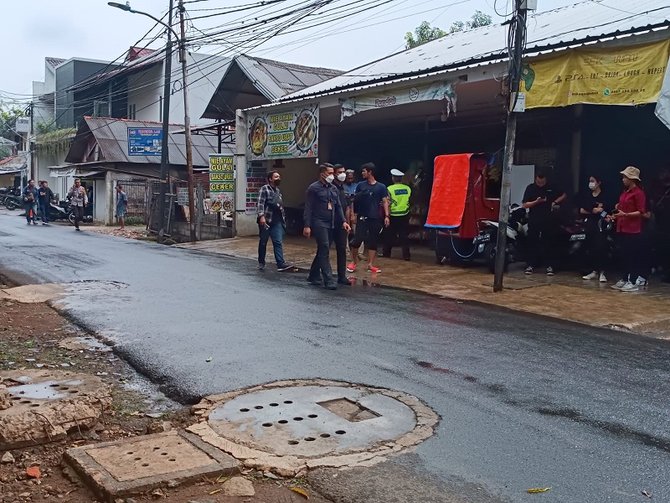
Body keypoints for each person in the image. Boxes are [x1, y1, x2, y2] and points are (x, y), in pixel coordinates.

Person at [303, 164, 350, 290]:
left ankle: (313, 275)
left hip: (332, 222)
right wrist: (307, 225)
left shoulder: (333, 188)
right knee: (324, 247)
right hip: (319, 222)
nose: (332, 175)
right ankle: (328, 279)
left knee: (323, 250)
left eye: (332, 173)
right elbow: (308, 208)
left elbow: (338, 206)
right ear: (322, 174)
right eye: (329, 173)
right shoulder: (313, 188)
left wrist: (344, 221)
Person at [347, 163, 390, 274]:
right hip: (362, 216)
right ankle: (354, 262)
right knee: (357, 240)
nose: (362, 173)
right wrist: (353, 214)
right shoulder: (361, 185)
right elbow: (354, 200)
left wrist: (386, 216)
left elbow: (385, 201)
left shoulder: (381, 187)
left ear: (370, 172)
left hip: (375, 217)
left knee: (373, 241)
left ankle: (370, 264)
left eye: (364, 171)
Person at [522, 171, 567, 275]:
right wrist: (536, 202)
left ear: (546, 180)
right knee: (532, 241)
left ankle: (550, 265)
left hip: (549, 219)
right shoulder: (530, 188)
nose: (540, 184)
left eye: (542, 182)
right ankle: (530, 265)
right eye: (538, 182)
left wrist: (555, 202)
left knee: (549, 242)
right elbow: (524, 204)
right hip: (534, 218)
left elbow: (564, 195)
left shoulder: (552, 187)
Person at [610, 166, 647, 292]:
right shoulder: (624, 192)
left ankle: (632, 281)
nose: (623, 179)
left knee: (632, 255)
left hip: (633, 229)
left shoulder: (639, 193)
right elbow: (621, 207)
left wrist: (625, 214)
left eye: (625, 177)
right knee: (623, 255)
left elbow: (641, 212)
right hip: (622, 227)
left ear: (632, 179)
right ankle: (625, 279)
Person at [257, 170, 292, 272]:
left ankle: (280, 263)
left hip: (277, 221)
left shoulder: (277, 191)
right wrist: (261, 216)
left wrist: (283, 220)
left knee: (278, 242)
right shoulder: (264, 189)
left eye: (279, 177)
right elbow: (260, 203)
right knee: (263, 242)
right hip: (266, 220)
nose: (278, 179)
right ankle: (261, 262)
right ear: (270, 179)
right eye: (276, 177)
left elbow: (280, 206)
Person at [579, 175, 611, 282]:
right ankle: (593, 271)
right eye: (589, 181)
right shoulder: (587, 195)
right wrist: (593, 210)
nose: (591, 183)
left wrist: (601, 212)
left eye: (592, 181)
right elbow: (582, 210)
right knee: (591, 247)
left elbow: (605, 211)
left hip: (601, 225)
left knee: (601, 247)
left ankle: (602, 272)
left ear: (598, 182)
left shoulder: (605, 195)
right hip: (590, 224)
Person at [382, 168, 412, 260]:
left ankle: (386, 254)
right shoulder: (407, 188)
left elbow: (387, 202)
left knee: (389, 235)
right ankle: (406, 256)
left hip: (393, 215)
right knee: (404, 235)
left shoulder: (389, 189)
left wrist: (387, 215)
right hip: (404, 214)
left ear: (393, 178)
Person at [331, 164, 353, 285]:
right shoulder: (331, 187)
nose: (343, 174)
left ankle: (342, 276)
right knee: (324, 249)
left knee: (342, 250)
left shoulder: (343, 188)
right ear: (334, 174)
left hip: (342, 224)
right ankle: (315, 273)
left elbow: (347, 207)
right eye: (340, 172)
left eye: (343, 172)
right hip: (330, 223)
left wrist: (348, 222)